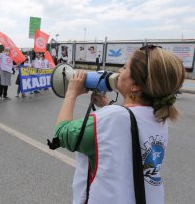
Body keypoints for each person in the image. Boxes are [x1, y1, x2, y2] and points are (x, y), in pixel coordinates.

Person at [54, 46, 185, 204]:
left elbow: (62, 134)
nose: (119, 70)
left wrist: (71, 93)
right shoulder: (158, 116)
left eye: (125, 67)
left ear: (135, 85)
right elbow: (132, 134)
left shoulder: (112, 117)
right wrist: (107, 104)